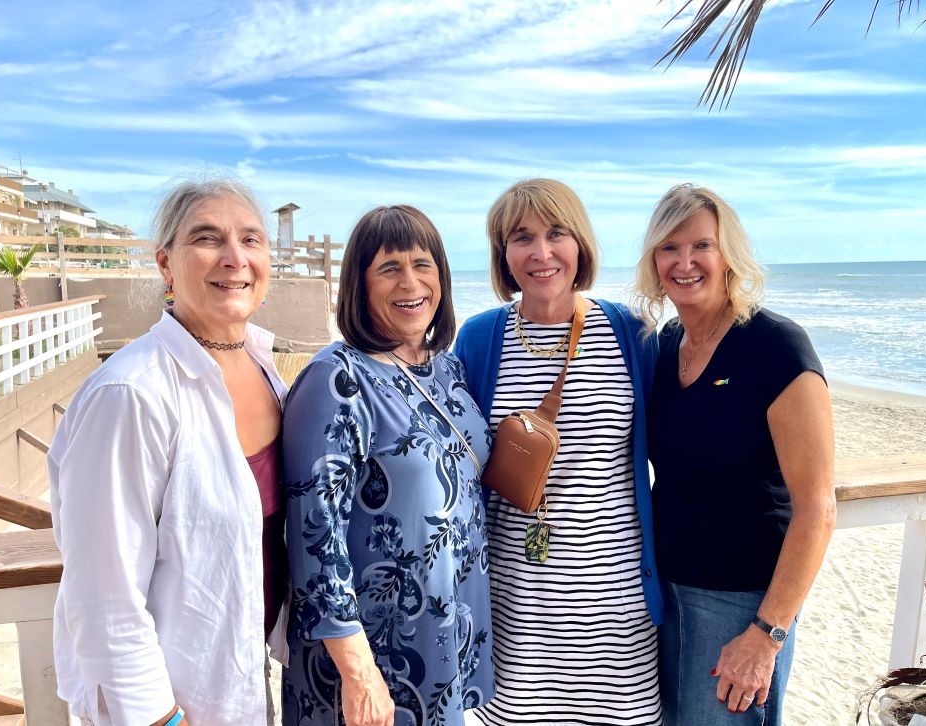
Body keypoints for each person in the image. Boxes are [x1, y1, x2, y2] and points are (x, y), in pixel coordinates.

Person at [48, 178, 288, 725]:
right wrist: (159, 717)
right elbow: (102, 588)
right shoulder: (132, 393)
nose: (235, 258)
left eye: (251, 240)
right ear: (165, 264)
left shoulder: (263, 367)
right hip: (170, 703)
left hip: (245, 680)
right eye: (208, 238)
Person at [454, 178, 663, 725]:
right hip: (513, 600)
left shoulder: (632, 333)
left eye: (556, 234)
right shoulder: (479, 338)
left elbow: (684, 444)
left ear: (580, 245)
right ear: (504, 255)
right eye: (522, 237)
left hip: (615, 601)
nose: (541, 253)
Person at [281, 205, 494, 726]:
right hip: (375, 656)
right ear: (359, 282)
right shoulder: (337, 379)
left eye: (423, 265)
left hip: (444, 636)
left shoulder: (447, 367)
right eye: (389, 268)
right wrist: (359, 672)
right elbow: (315, 536)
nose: (410, 282)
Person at [634, 183, 836, 725]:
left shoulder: (776, 347)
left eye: (701, 245)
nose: (684, 262)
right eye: (668, 248)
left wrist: (766, 635)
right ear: (653, 261)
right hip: (661, 597)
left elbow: (818, 508)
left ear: (728, 255)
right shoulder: (662, 347)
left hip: (741, 607)